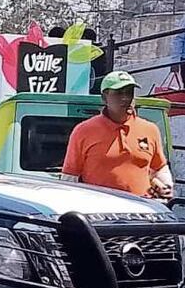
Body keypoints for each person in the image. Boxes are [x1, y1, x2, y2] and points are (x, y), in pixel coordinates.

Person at [62, 70, 173, 199]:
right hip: (98, 211)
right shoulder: (83, 131)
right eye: (119, 93)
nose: (125, 98)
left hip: (142, 211)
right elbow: (70, 177)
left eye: (129, 92)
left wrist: (166, 185)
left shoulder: (150, 129)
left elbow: (159, 167)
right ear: (104, 97)